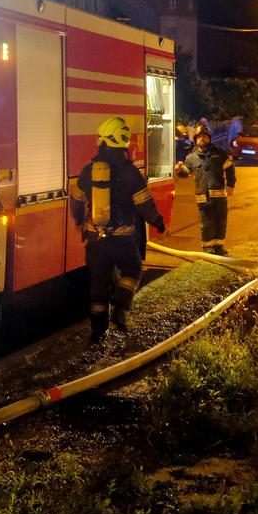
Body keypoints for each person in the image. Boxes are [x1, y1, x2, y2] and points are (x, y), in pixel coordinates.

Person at [70, 116, 167, 345]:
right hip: (122, 240)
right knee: (133, 270)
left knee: (98, 285)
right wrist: (159, 222)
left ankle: (97, 332)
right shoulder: (130, 173)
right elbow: (145, 205)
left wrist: (78, 219)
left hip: (95, 240)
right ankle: (121, 310)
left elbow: (75, 199)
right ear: (123, 142)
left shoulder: (89, 170)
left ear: (102, 141)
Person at [176, 122, 236, 255]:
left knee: (220, 223)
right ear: (196, 139)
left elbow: (230, 168)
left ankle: (219, 247)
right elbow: (184, 173)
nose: (202, 139)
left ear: (209, 138)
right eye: (199, 137)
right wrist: (179, 171)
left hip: (220, 197)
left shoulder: (219, 154)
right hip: (203, 198)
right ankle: (208, 249)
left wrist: (231, 184)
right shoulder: (191, 158)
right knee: (207, 224)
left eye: (204, 136)